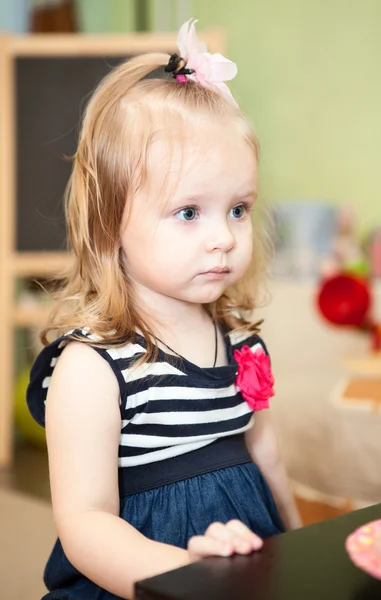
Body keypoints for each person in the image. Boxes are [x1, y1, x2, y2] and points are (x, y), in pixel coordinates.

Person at [27, 18, 301, 600]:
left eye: (237, 209)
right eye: (188, 212)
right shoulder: (93, 368)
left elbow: (268, 455)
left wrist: (306, 548)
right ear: (110, 221)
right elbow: (85, 525)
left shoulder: (243, 345)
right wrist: (181, 578)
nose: (224, 238)